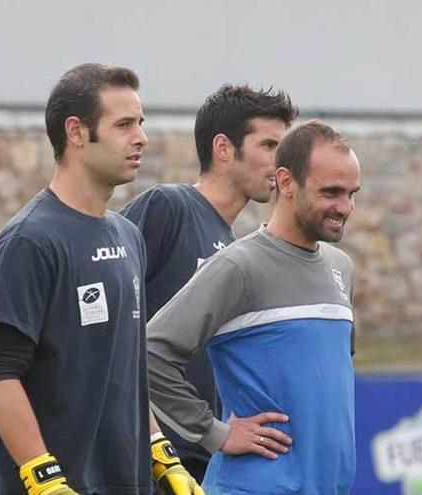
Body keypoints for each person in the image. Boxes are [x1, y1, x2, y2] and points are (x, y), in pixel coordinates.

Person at [0, 63, 202, 495]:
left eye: (140, 123)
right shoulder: (29, 241)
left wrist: (160, 451)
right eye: (123, 125)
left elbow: (124, 372)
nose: (141, 138)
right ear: (76, 132)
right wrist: (44, 479)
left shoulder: (128, 236)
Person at [146, 120, 362, 495]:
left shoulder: (341, 267)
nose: (344, 207)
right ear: (286, 181)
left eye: (351, 193)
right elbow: (150, 353)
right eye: (330, 193)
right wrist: (214, 433)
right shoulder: (238, 266)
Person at [120, 84, 298, 482]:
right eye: (269, 146)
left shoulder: (235, 250)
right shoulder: (168, 207)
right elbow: (111, 327)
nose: (280, 163)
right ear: (223, 148)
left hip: (198, 461)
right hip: (144, 458)